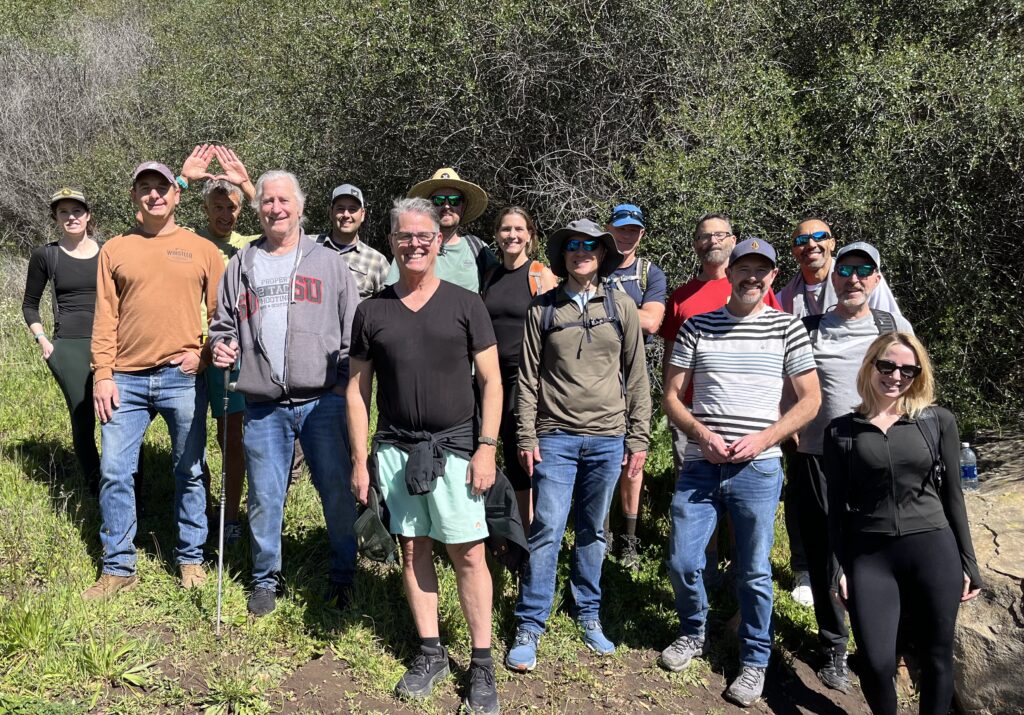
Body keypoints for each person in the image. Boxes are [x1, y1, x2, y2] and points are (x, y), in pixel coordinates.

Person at [348, 197, 503, 715]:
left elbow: (492, 381)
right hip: (394, 449)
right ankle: (431, 652)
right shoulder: (372, 311)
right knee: (413, 549)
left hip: (457, 448)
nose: (413, 244)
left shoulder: (466, 304)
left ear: (438, 242)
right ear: (391, 242)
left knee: (469, 552)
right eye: (403, 236)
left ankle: (481, 663)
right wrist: (358, 458)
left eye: (423, 236)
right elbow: (356, 391)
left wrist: (486, 447)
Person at [660, 238, 820, 708]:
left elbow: (810, 400)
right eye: (744, 268)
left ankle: (754, 660)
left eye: (762, 270)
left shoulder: (787, 329)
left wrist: (765, 439)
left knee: (753, 571)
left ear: (772, 277)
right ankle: (694, 632)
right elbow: (671, 395)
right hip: (701, 465)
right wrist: (700, 434)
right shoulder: (697, 326)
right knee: (684, 562)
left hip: (759, 468)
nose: (752, 277)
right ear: (729, 272)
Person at [209, 170, 360, 617]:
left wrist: (339, 385)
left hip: (323, 400)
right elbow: (221, 325)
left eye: (283, 201)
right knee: (265, 496)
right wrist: (221, 346)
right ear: (258, 209)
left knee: (335, 492)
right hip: (262, 404)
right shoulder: (242, 263)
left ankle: (343, 573)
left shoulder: (329, 263)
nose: (276, 208)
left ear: (300, 207)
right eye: (268, 201)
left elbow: (352, 332)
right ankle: (264, 579)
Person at [507, 219, 651, 671]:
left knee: (593, 530)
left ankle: (588, 612)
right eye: (573, 246)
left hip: (608, 438)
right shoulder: (543, 309)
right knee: (547, 527)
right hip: (555, 437)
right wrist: (526, 434)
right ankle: (531, 622)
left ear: (602, 254)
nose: (581, 252)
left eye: (590, 246)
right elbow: (527, 379)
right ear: (563, 255)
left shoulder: (622, 306)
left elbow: (638, 375)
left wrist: (639, 436)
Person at [84, 161, 225, 600]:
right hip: (124, 379)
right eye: (144, 188)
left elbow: (222, 316)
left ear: (176, 194)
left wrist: (202, 355)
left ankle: (190, 559)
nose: (154, 195)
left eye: (161, 187)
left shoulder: (203, 249)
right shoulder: (115, 249)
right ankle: (118, 566)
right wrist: (102, 374)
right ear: (134, 197)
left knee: (190, 470)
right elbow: (105, 316)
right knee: (114, 471)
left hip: (182, 379)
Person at [824, 332, 982, 715]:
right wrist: (837, 567)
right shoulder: (842, 430)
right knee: (877, 663)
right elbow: (836, 508)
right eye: (887, 365)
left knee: (937, 656)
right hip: (871, 555)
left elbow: (953, 497)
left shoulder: (936, 422)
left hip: (933, 548)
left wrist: (969, 562)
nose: (896, 375)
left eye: (908, 370)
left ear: (918, 374)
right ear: (870, 365)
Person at [793, 242, 913, 692]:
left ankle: (881, 648)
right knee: (826, 554)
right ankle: (833, 646)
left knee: (876, 552)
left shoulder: (892, 326)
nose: (854, 278)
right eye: (845, 270)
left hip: (876, 458)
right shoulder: (808, 327)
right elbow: (785, 381)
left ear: (877, 281)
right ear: (832, 277)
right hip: (816, 458)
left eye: (864, 271)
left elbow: (916, 385)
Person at [777, 216, 907, 606]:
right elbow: (784, 365)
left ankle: (866, 575)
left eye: (820, 237)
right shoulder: (786, 297)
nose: (811, 244)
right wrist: (787, 418)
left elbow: (904, 356)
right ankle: (807, 569)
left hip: (873, 432)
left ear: (832, 244)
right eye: (802, 239)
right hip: (813, 427)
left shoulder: (871, 295)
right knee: (806, 500)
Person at [658, 213, 782, 583]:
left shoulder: (757, 287)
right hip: (694, 419)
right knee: (698, 502)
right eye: (704, 236)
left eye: (720, 234)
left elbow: (775, 346)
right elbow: (670, 357)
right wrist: (673, 408)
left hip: (750, 416)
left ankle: (739, 574)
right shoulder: (680, 297)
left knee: (746, 502)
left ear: (733, 240)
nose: (712, 240)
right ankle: (705, 572)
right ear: (695, 244)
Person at [180, 144, 259, 544]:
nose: (225, 215)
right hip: (190, 354)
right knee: (190, 437)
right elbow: (152, 218)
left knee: (231, 437)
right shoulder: (188, 242)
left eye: (232, 207)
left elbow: (285, 221)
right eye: (217, 207)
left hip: (232, 356)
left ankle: (229, 511)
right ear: (205, 209)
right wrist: (182, 179)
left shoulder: (249, 245)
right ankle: (200, 506)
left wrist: (245, 182)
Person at [480, 206, 558, 530]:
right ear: (497, 235)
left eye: (519, 229)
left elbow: (555, 329)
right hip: (488, 376)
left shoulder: (539, 274)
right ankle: (494, 525)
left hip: (523, 376)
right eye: (505, 229)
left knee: (517, 456)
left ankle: (526, 533)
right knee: (483, 447)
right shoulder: (491, 275)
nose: (512, 235)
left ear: (530, 235)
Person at [21, 188, 101, 493]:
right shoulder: (47, 255)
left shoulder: (107, 251)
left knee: (119, 417)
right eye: (64, 212)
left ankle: (127, 484)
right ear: (56, 218)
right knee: (83, 417)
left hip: (109, 343)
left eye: (77, 211)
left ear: (88, 215)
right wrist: (43, 340)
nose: (71, 217)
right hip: (67, 345)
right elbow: (29, 304)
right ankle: (95, 484)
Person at [601, 203, 666, 568]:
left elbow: (652, 322)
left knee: (633, 459)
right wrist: (629, 315)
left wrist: (601, 310)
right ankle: (603, 533)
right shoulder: (594, 263)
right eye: (620, 229)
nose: (626, 236)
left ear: (641, 233)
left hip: (635, 378)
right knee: (602, 457)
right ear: (608, 229)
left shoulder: (649, 274)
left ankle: (629, 537)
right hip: (595, 379)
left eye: (633, 230)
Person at [385, 167, 498, 291]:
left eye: (455, 200)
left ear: (463, 206)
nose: (447, 206)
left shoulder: (478, 249)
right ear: (429, 206)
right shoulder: (412, 249)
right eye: (439, 200)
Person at [315, 183, 389, 300]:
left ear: (362, 215)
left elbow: (389, 306)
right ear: (330, 212)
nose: (346, 215)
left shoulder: (377, 261)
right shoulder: (309, 245)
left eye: (352, 209)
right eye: (340, 209)